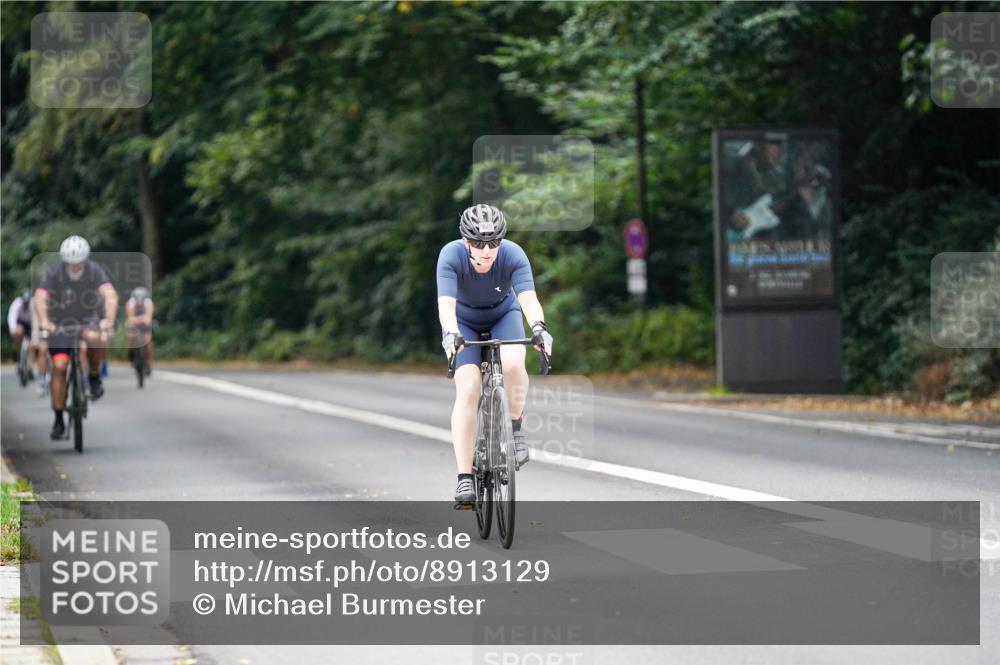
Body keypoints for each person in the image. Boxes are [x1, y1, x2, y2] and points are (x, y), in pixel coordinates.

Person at [436, 204, 553, 505]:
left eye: (493, 242)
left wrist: (539, 327)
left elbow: (528, 299)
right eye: (478, 243)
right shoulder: (450, 255)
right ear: (466, 241)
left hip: (504, 314)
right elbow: (446, 305)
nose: (487, 250)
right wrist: (451, 334)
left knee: (514, 365)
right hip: (463, 322)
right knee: (469, 388)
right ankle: (465, 478)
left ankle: (514, 427)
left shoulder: (513, 254)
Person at [35, 235, 118, 439]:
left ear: (85, 260)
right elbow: (40, 296)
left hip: (86, 319)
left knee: (98, 338)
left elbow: (110, 294)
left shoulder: (94, 271)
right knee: (60, 367)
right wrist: (45, 321)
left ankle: (94, 375)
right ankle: (58, 418)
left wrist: (108, 319)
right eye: (70, 264)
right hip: (60, 323)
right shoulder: (54, 273)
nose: (74, 267)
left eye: (78, 263)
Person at [125, 286, 155, 376]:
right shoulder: (130, 303)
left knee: (148, 342)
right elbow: (131, 319)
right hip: (134, 324)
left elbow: (148, 319)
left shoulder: (149, 303)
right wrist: (141, 319)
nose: (139, 305)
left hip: (144, 325)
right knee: (131, 337)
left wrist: (139, 319)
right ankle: (132, 355)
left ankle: (148, 364)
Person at [7, 289, 33, 368]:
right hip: (20, 324)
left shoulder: (33, 303)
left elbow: (36, 319)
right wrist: (13, 329)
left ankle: (30, 364)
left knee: (31, 344)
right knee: (18, 331)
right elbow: (11, 316)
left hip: (30, 325)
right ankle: (18, 352)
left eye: (27, 301)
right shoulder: (17, 303)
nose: (26, 303)